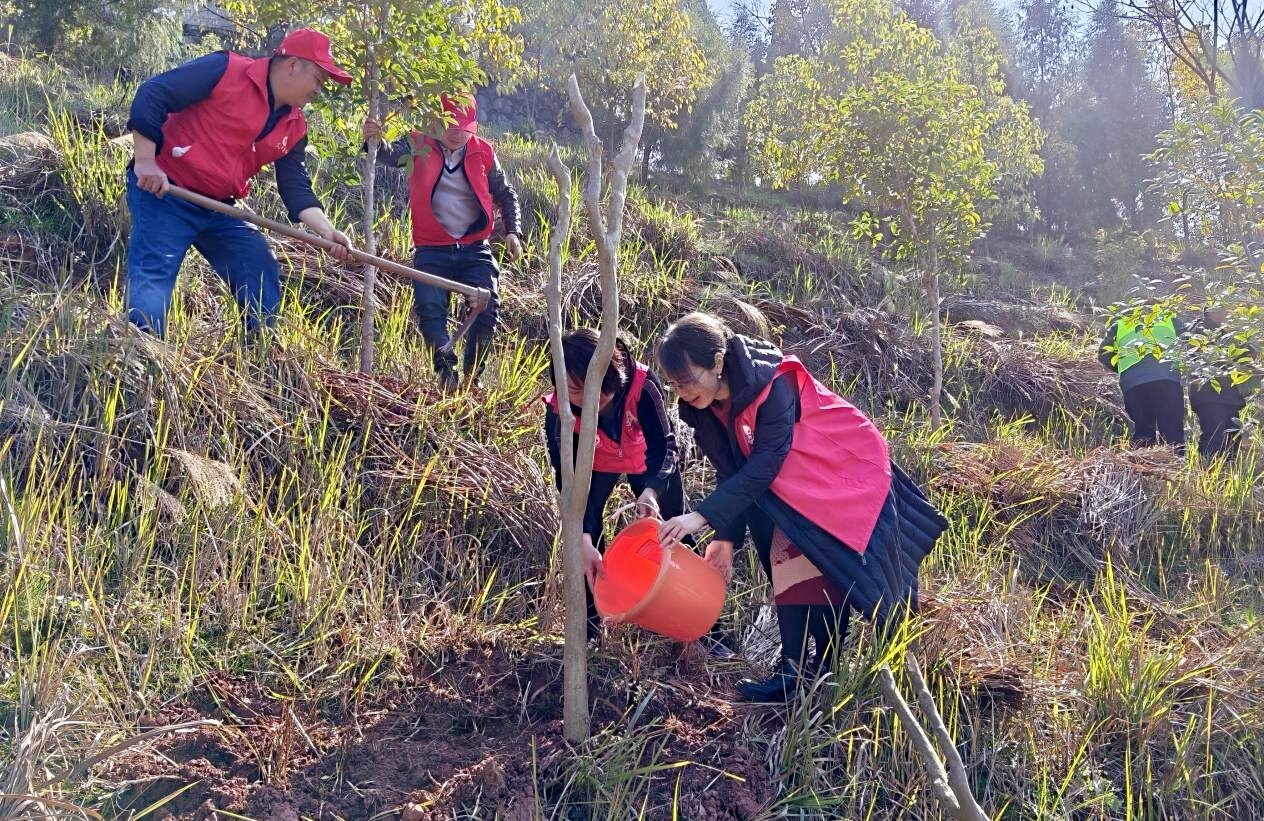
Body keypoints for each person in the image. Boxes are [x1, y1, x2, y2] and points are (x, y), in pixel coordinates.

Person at [654, 312, 947, 702]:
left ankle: (826, 669)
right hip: (787, 487)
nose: (683, 391)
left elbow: (762, 465)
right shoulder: (703, 409)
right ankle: (792, 671)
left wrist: (700, 516)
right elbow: (731, 470)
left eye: (688, 380)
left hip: (843, 473)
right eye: (675, 383)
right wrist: (724, 538)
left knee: (837, 567)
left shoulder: (774, 384)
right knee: (785, 563)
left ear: (718, 361)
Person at [125, 28, 354, 337]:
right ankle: (142, 364)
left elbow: (294, 185)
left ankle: (259, 359)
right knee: (154, 279)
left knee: (259, 266)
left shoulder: (295, 126)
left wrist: (328, 233)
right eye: (318, 78)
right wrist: (146, 162)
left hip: (220, 208)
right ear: (292, 65)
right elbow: (153, 93)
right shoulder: (226, 70)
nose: (319, 89)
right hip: (167, 192)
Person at [362, 95, 522, 391]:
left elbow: (505, 193)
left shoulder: (484, 152)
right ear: (436, 121)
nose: (457, 133)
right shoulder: (417, 143)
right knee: (430, 309)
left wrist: (513, 231)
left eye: (464, 128)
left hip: (475, 247)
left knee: (487, 308)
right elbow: (389, 155)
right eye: (451, 126)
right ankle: (447, 373)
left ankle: (474, 381)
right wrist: (375, 140)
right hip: (431, 248)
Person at [543, 329, 693, 642]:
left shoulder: (641, 385)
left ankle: (704, 627)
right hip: (597, 464)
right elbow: (566, 477)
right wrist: (582, 535)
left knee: (676, 529)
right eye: (575, 392)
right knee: (587, 540)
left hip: (645, 462)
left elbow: (664, 448)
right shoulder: (560, 410)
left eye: (597, 390)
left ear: (613, 376)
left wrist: (651, 490)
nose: (589, 401)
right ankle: (592, 626)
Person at [1098, 306, 1187, 451]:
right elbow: (1191, 344)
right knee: (1172, 431)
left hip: (1133, 384)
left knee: (1143, 431)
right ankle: (1178, 465)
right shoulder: (1170, 320)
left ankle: (1143, 467)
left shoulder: (1120, 325)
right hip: (1167, 379)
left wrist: (1124, 369)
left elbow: (1103, 354)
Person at [1188, 307, 1258, 460]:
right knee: (1215, 434)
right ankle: (1206, 473)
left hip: (1230, 395)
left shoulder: (1228, 333)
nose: (1226, 313)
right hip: (1209, 393)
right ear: (1210, 312)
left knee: (1233, 435)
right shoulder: (1199, 330)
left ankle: (1225, 474)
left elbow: (1250, 354)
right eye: (1222, 310)